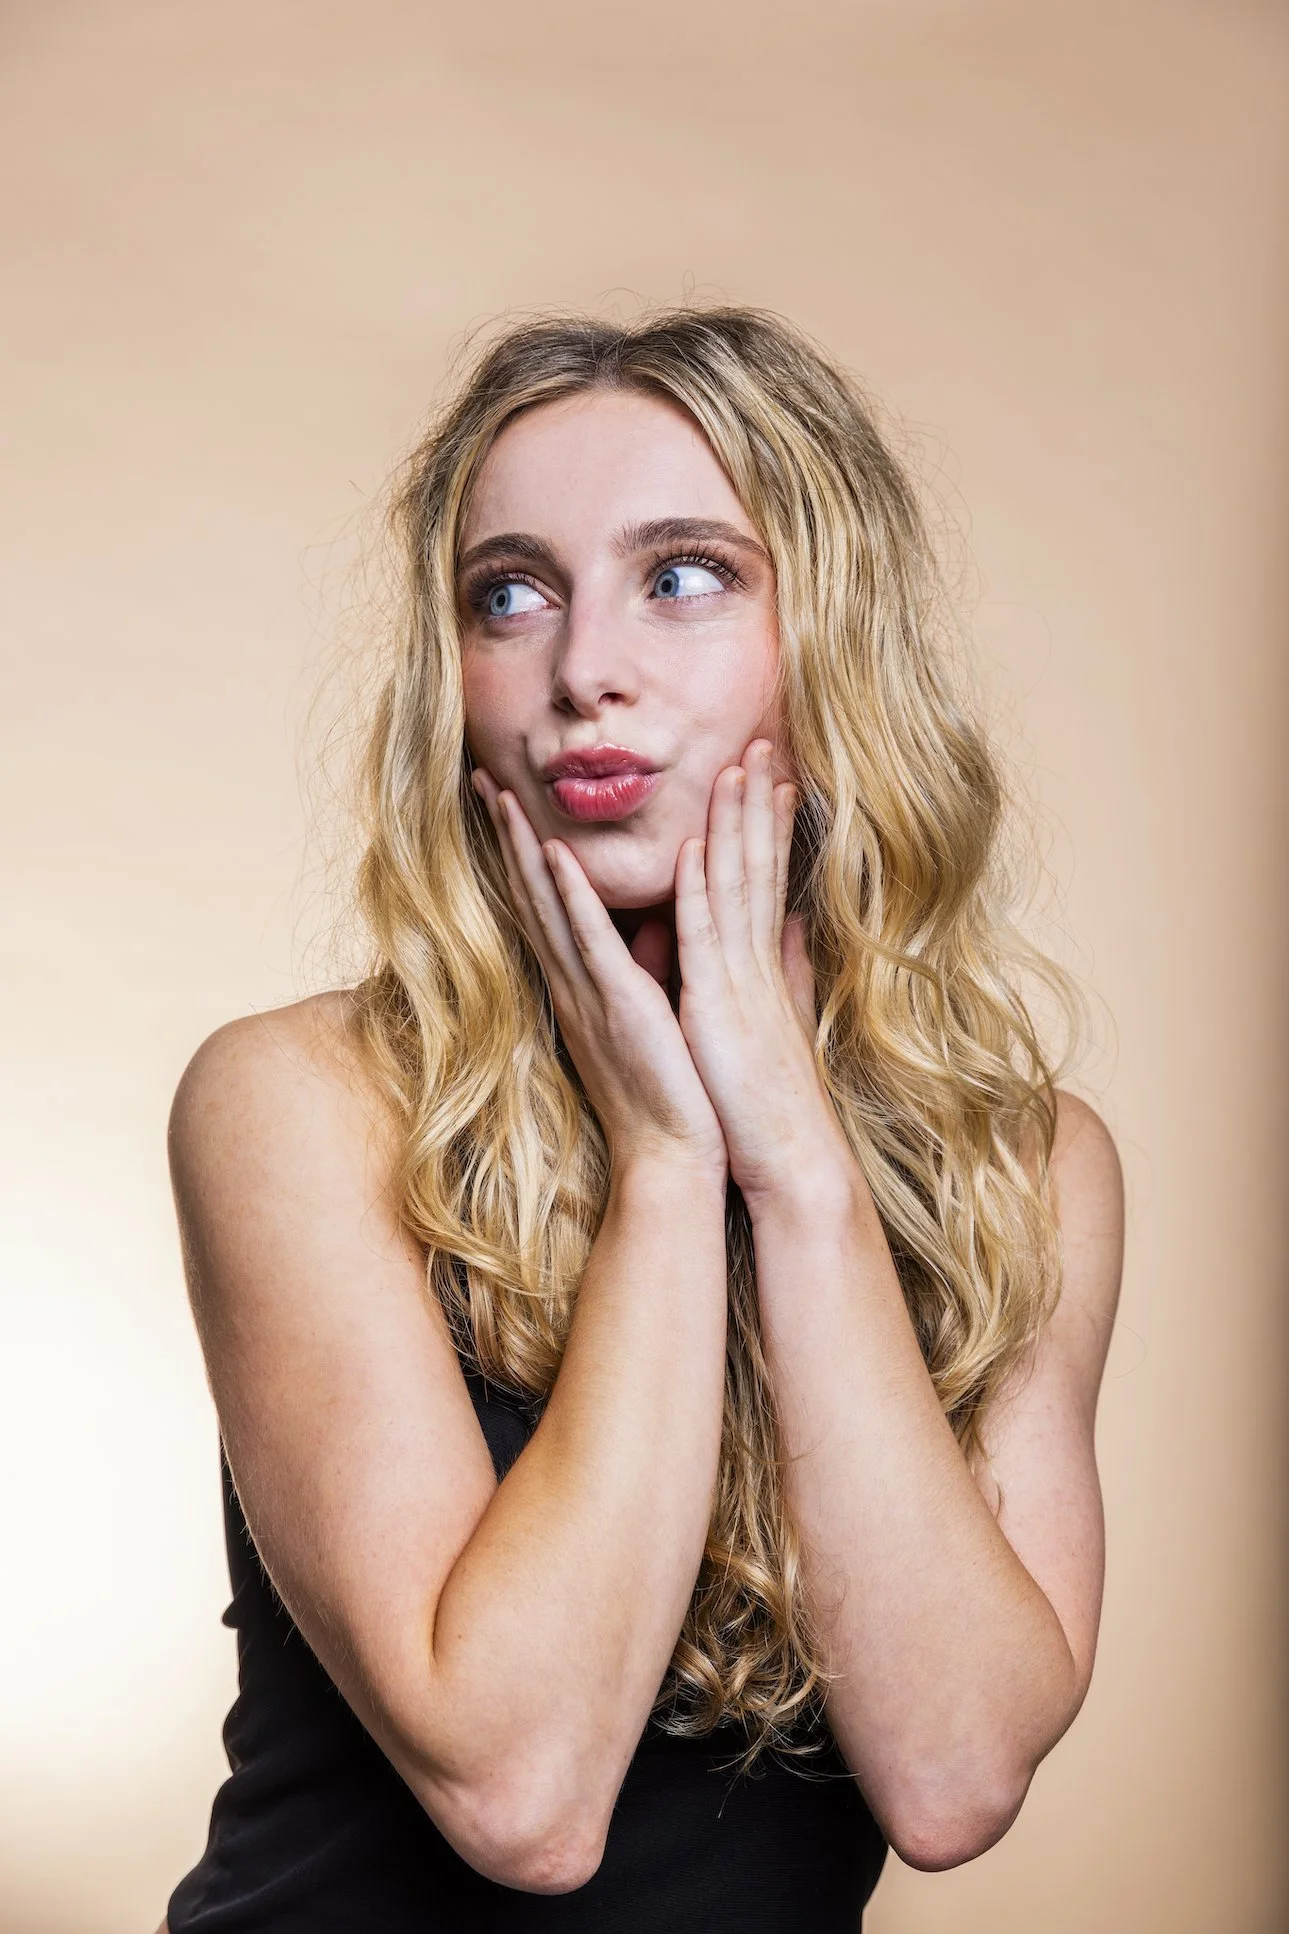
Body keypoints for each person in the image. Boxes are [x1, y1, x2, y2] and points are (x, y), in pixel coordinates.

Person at [159, 307, 1124, 1933]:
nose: (582, 668)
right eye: (510, 593)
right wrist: (667, 1167)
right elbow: (520, 1795)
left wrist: (797, 1167)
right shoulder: (302, 1103)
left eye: (683, 574)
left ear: (831, 637)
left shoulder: (1023, 1166)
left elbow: (955, 1776)